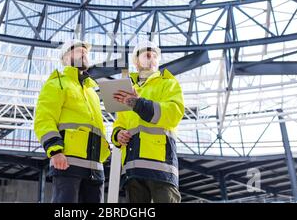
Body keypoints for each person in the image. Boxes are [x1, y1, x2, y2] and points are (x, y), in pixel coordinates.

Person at [34, 39, 110, 203]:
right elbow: (44, 118)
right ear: (65, 58)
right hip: (67, 162)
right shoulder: (57, 83)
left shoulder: (92, 93)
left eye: (85, 51)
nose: (83, 52)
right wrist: (55, 150)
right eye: (77, 50)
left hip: (95, 166)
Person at [111, 40, 184, 203]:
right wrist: (118, 135)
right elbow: (119, 123)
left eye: (155, 56)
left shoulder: (168, 83)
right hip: (133, 167)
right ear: (136, 62)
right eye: (147, 55)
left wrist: (138, 103)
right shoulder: (127, 90)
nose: (152, 59)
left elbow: (174, 114)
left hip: (161, 165)